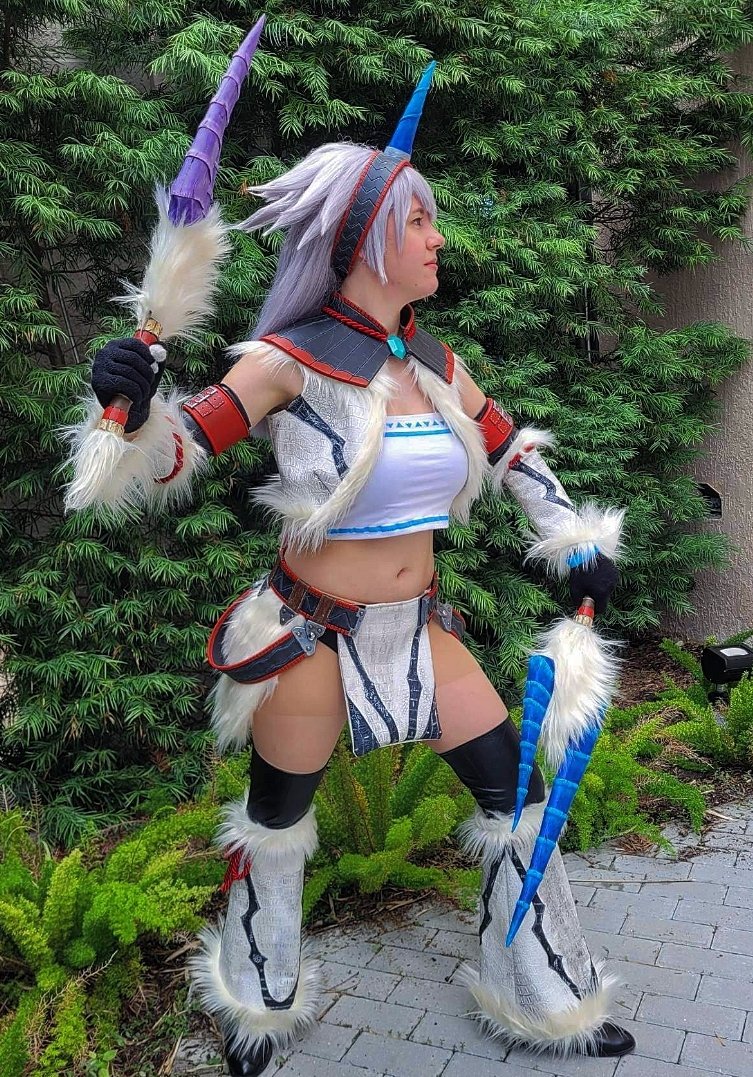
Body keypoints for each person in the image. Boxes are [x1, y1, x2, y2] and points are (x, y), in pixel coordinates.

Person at [71, 67, 633, 1077]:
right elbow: (177, 454)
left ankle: (549, 996)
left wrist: (576, 542)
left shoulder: (435, 364)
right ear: (368, 239)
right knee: (276, 827)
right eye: (419, 221)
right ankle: (258, 1003)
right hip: (308, 640)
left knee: (516, 801)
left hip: (421, 634)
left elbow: (511, 452)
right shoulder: (285, 360)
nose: (438, 239)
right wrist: (133, 407)